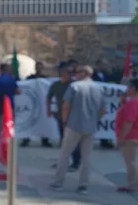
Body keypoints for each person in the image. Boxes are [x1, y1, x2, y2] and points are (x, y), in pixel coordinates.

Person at [50, 65, 106, 195]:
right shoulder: (99, 88)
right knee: (87, 157)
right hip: (90, 127)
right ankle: (83, 185)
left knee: (65, 154)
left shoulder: (75, 86)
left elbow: (66, 106)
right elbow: (103, 110)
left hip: (74, 125)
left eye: (77, 71)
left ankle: (58, 182)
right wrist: (95, 120)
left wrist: (64, 121)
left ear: (84, 73)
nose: (75, 74)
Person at [47, 64, 81, 171]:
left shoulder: (75, 85)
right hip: (60, 116)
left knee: (73, 140)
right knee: (63, 140)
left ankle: (76, 162)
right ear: (62, 73)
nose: (71, 75)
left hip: (73, 116)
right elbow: (48, 97)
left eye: (72, 73)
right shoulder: (56, 85)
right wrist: (48, 109)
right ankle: (63, 161)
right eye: (68, 72)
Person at [115, 79, 138, 192]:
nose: (127, 89)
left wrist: (121, 137)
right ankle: (135, 183)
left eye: (129, 87)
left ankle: (133, 184)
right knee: (133, 160)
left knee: (131, 161)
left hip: (131, 135)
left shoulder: (133, 103)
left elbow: (129, 121)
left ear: (134, 88)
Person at [22, 62, 51, 148]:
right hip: (32, 103)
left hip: (42, 103)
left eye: (40, 67)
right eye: (37, 67)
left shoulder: (45, 79)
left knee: (44, 121)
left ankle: (45, 140)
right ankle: (25, 139)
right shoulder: (29, 78)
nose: (38, 69)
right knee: (29, 120)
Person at [0, 63, 20, 133]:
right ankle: (10, 142)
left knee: (1, 127)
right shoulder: (12, 79)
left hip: (0, 105)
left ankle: (2, 141)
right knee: (10, 126)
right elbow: (18, 92)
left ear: (0, 70)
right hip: (10, 106)